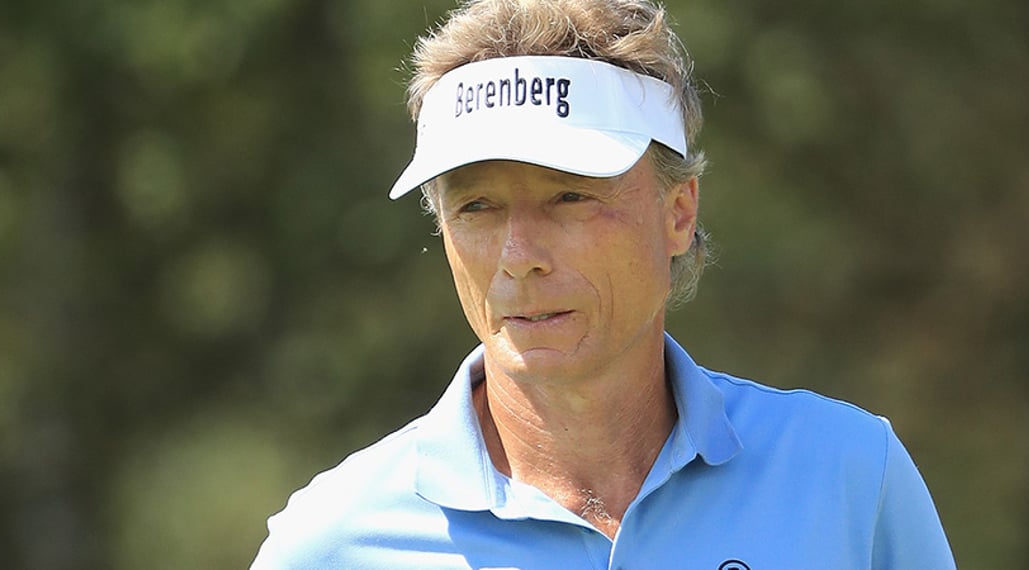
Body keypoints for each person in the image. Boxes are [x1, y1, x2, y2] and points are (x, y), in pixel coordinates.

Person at [251, 0, 956, 568]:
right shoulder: (331, 544)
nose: (518, 255)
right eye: (476, 207)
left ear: (678, 212)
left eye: (569, 198)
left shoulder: (848, 477)